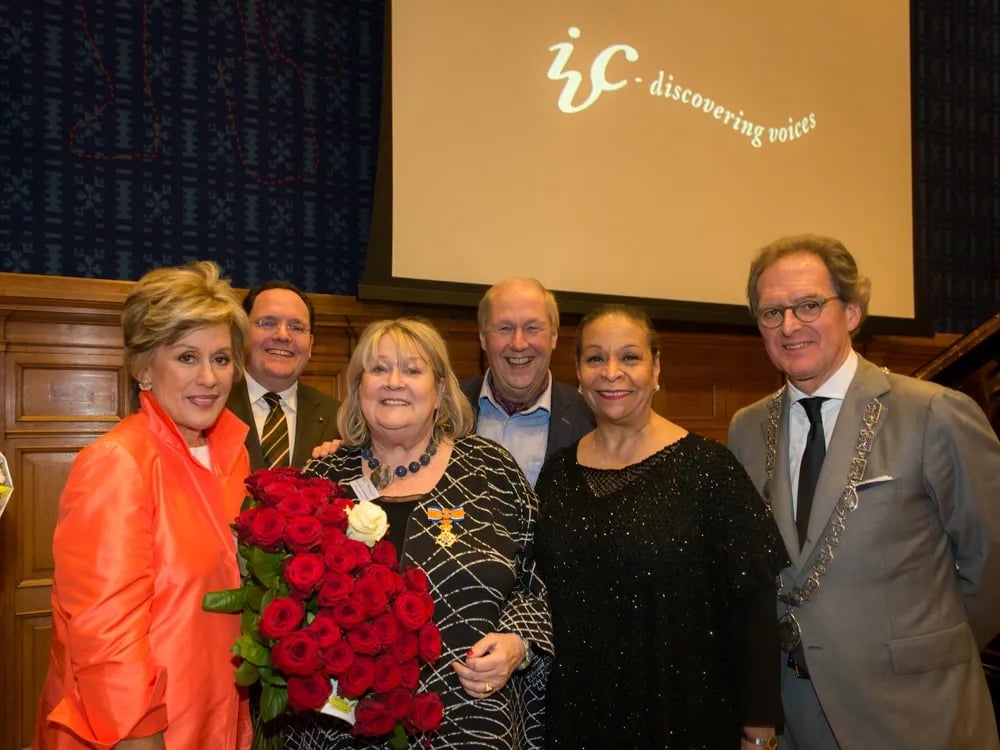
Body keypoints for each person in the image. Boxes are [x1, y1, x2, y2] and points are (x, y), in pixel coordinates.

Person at [728, 234, 1000, 749]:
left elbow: (991, 564)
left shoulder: (933, 414)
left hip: (918, 713)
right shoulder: (746, 428)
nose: (789, 326)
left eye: (809, 305)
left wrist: (925, 651)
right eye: (771, 313)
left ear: (852, 312)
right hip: (794, 714)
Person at [284, 318, 553, 749]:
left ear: (441, 389)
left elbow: (537, 582)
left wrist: (518, 643)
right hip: (343, 728)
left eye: (412, 370)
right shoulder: (322, 479)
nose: (394, 382)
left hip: (472, 721)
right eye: (378, 369)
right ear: (358, 387)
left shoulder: (492, 471)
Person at [535, 304, 787, 749]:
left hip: (684, 716)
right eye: (595, 358)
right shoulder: (556, 476)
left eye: (630, 357)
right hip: (577, 718)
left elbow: (753, 609)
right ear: (577, 372)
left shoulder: (709, 469)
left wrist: (760, 733)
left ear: (656, 369)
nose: (612, 372)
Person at [34, 261, 252, 749]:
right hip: (140, 730)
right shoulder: (117, 463)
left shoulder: (229, 456)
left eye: (221, 359)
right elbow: (105, 636)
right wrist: (139, 736)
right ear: (143, 367)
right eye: (187, 357)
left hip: (214, 710)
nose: (209, 377)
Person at [461, 277, 594, 485]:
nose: (518, 344)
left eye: (533, 328)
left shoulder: (590, 420)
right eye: (505, 328)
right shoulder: (445, 409)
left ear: (554, 336)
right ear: (483, 338)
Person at [226, 280, 339, 469]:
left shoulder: (338, 418)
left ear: (310, 345)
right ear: (242, 333)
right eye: (268, 323)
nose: (283, 336)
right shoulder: (213, 404)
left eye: (296, 327)